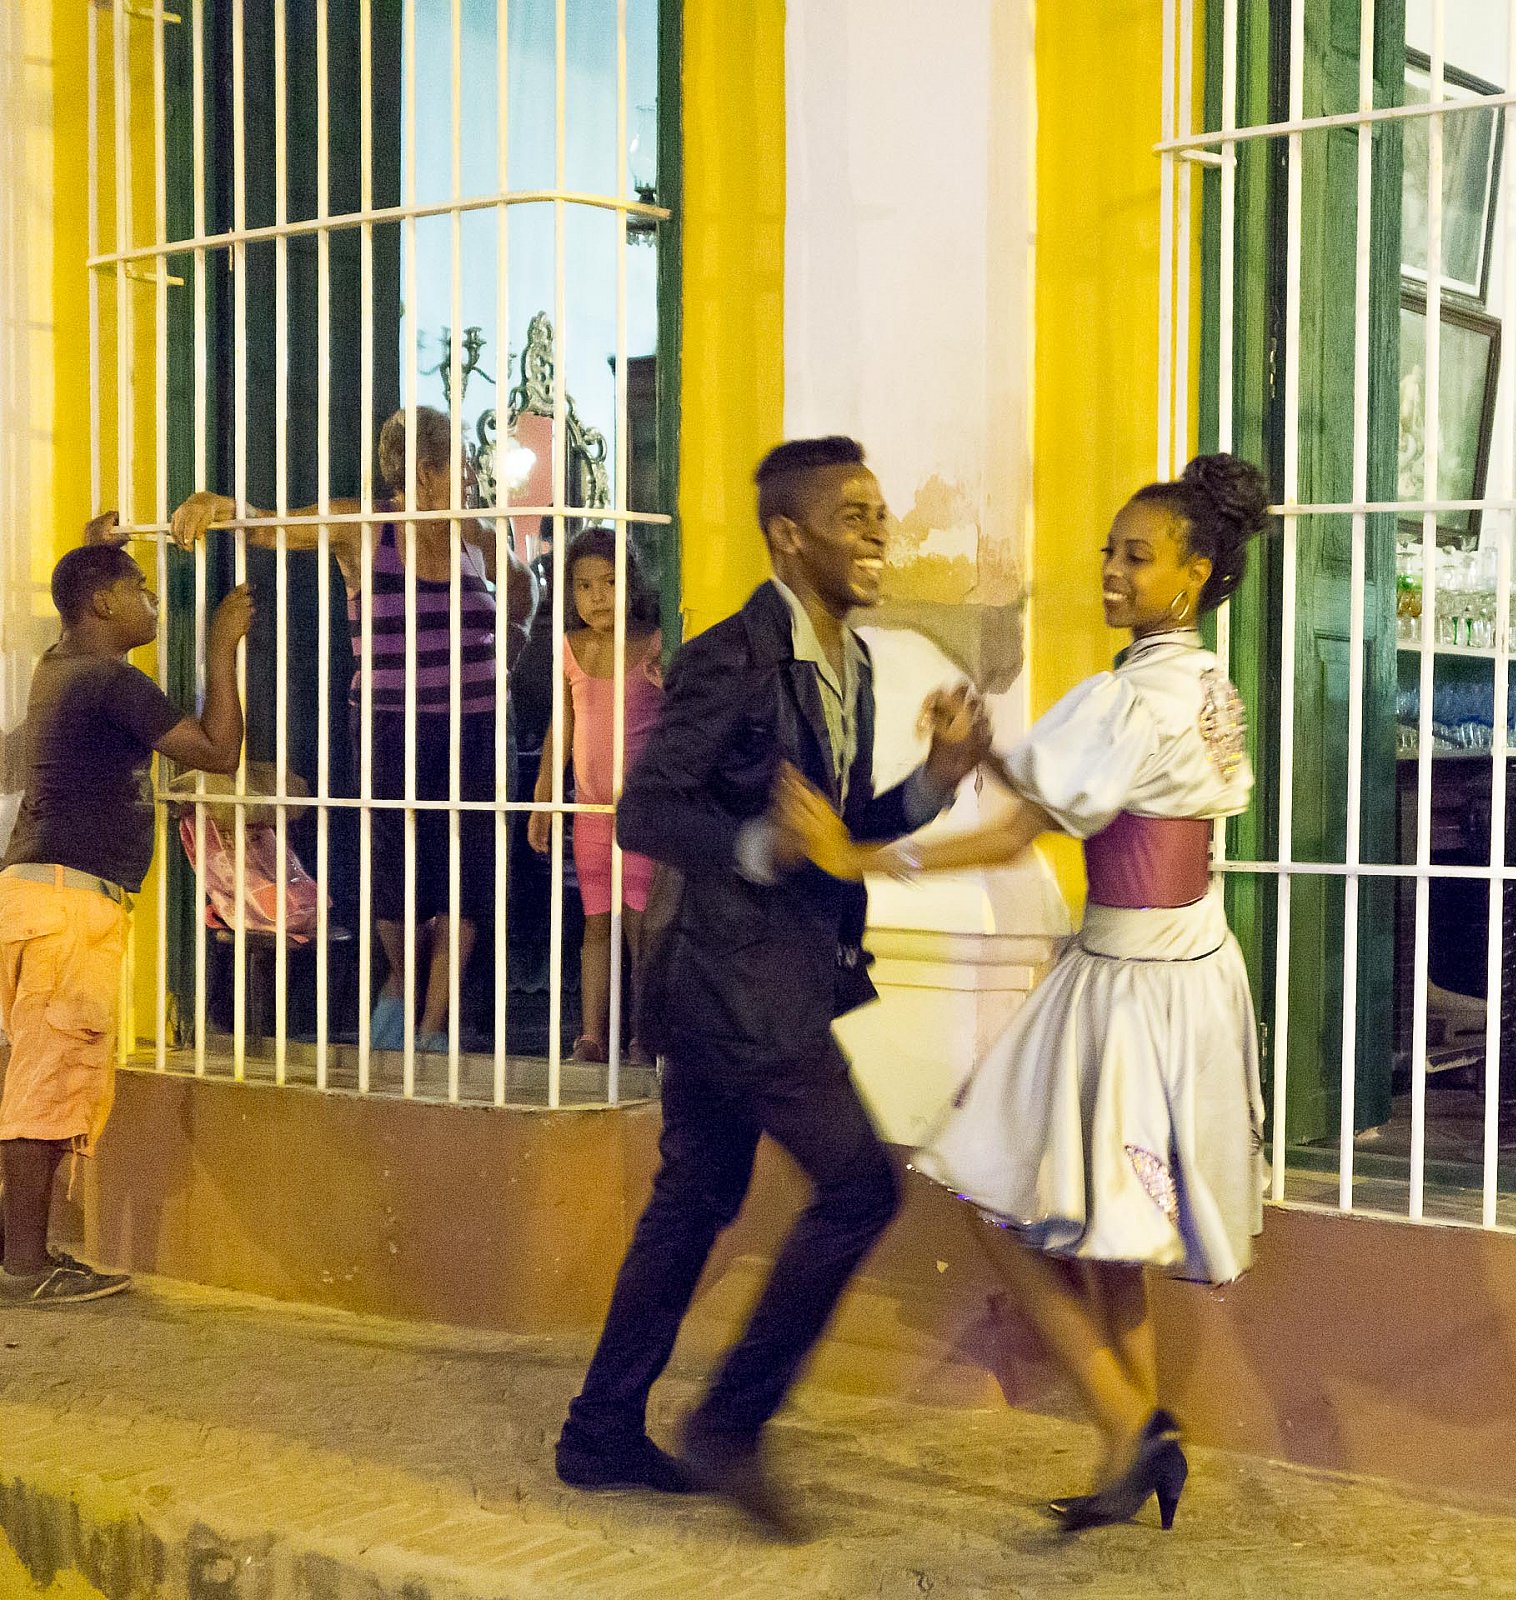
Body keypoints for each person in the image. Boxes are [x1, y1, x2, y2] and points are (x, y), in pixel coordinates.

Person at [797, 453, 1271, 1533]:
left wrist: (864, 858)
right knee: (1113, 1227)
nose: (1110, 570)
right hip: (1187, 973)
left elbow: (1018, 829)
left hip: (1128, 985)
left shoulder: (1128, 696)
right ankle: (1131, 1437)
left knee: (985, 1187)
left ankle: (1129, 1421)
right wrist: (981, 754)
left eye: (1136, 557)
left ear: (1193, 577)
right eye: (1109, 550)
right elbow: (1083, 788)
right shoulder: (1205, 687)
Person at [553, 436, 992, 1533]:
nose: (879, 533)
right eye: (853, 516)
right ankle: (729, 1424)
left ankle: (599, 1431)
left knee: (696, 1198)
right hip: (735, 981)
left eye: (880, 513)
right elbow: (647, 810)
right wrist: (759, 845)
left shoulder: (852, 661)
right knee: (861, 1189)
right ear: (789, 536)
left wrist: (933, 782)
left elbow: (832, 832)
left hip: (765, 976)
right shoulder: (734, 657)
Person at [172, 407, 537, 1054]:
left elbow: (520, 592)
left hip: (479, 726)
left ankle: (431, 1026)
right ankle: (403, 985)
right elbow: (274, 529)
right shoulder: (366, 527)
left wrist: (501, 654)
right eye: (460, 464)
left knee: (470, 871)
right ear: (422, 472)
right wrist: (222, 507)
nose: (472, 476)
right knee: (397, 869)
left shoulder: (477, 533)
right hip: (392, 725)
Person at [0, 513, 253, 1306]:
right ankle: (24, 1269)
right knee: (44, 1090)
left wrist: (94, 551)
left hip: (36, 895)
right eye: (140, 590)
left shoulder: (58, 667)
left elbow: (81, 598)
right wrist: (222, 646)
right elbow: (217, 752)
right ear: (104, 605)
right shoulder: (111, 681)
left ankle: (25, 1256)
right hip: (68, 908)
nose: (154, 603)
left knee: (38, 1078)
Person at [528, 527, 664, 1064]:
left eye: (609, 583)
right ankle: (591, 1036)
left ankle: (644, 1035)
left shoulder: (656, 646)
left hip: (642, 814)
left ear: (632, 584)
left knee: (642, 927)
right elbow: (560, 728)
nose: (597, 597)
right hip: (589, 811)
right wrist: (544, 798)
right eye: (584, 587)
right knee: (596, 924)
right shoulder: (570, 648)